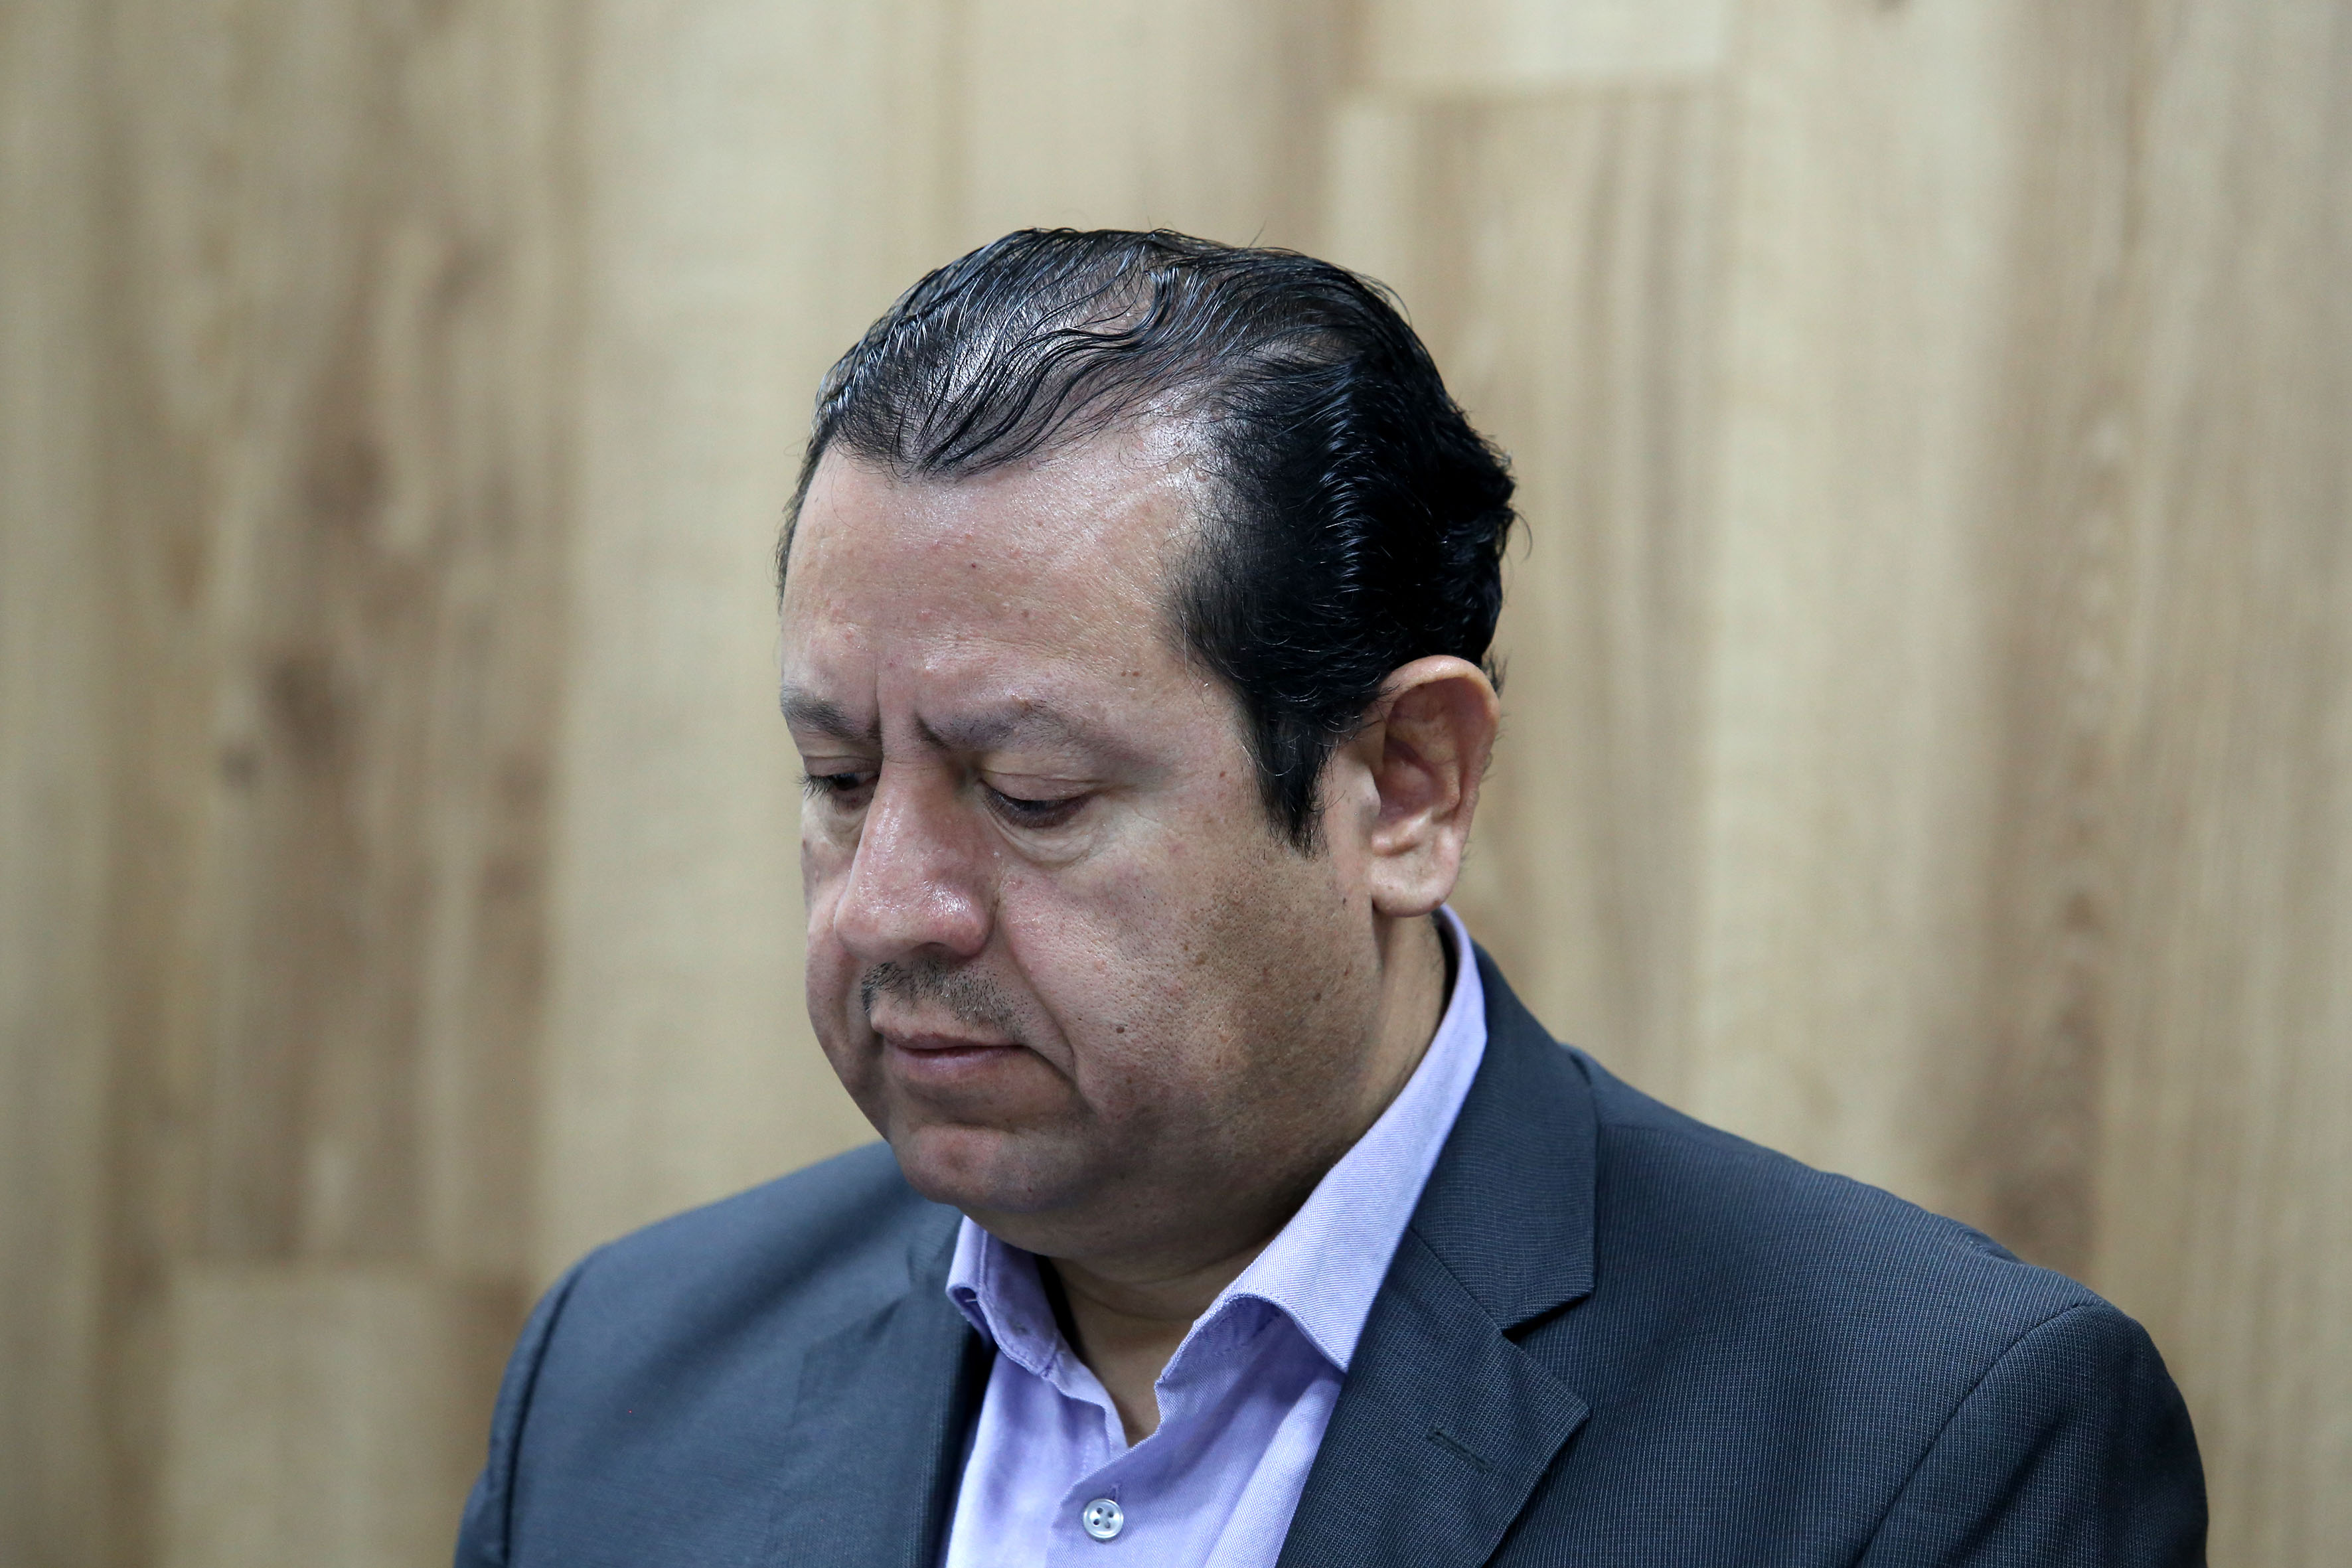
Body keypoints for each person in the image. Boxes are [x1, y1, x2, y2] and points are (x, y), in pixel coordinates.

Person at [454, 230, 2205, 1567]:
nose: (885, 909)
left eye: (1032, 795)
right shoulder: (625, 1379)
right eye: (840, 780)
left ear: (1407, 786)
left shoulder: (1931, 1449)